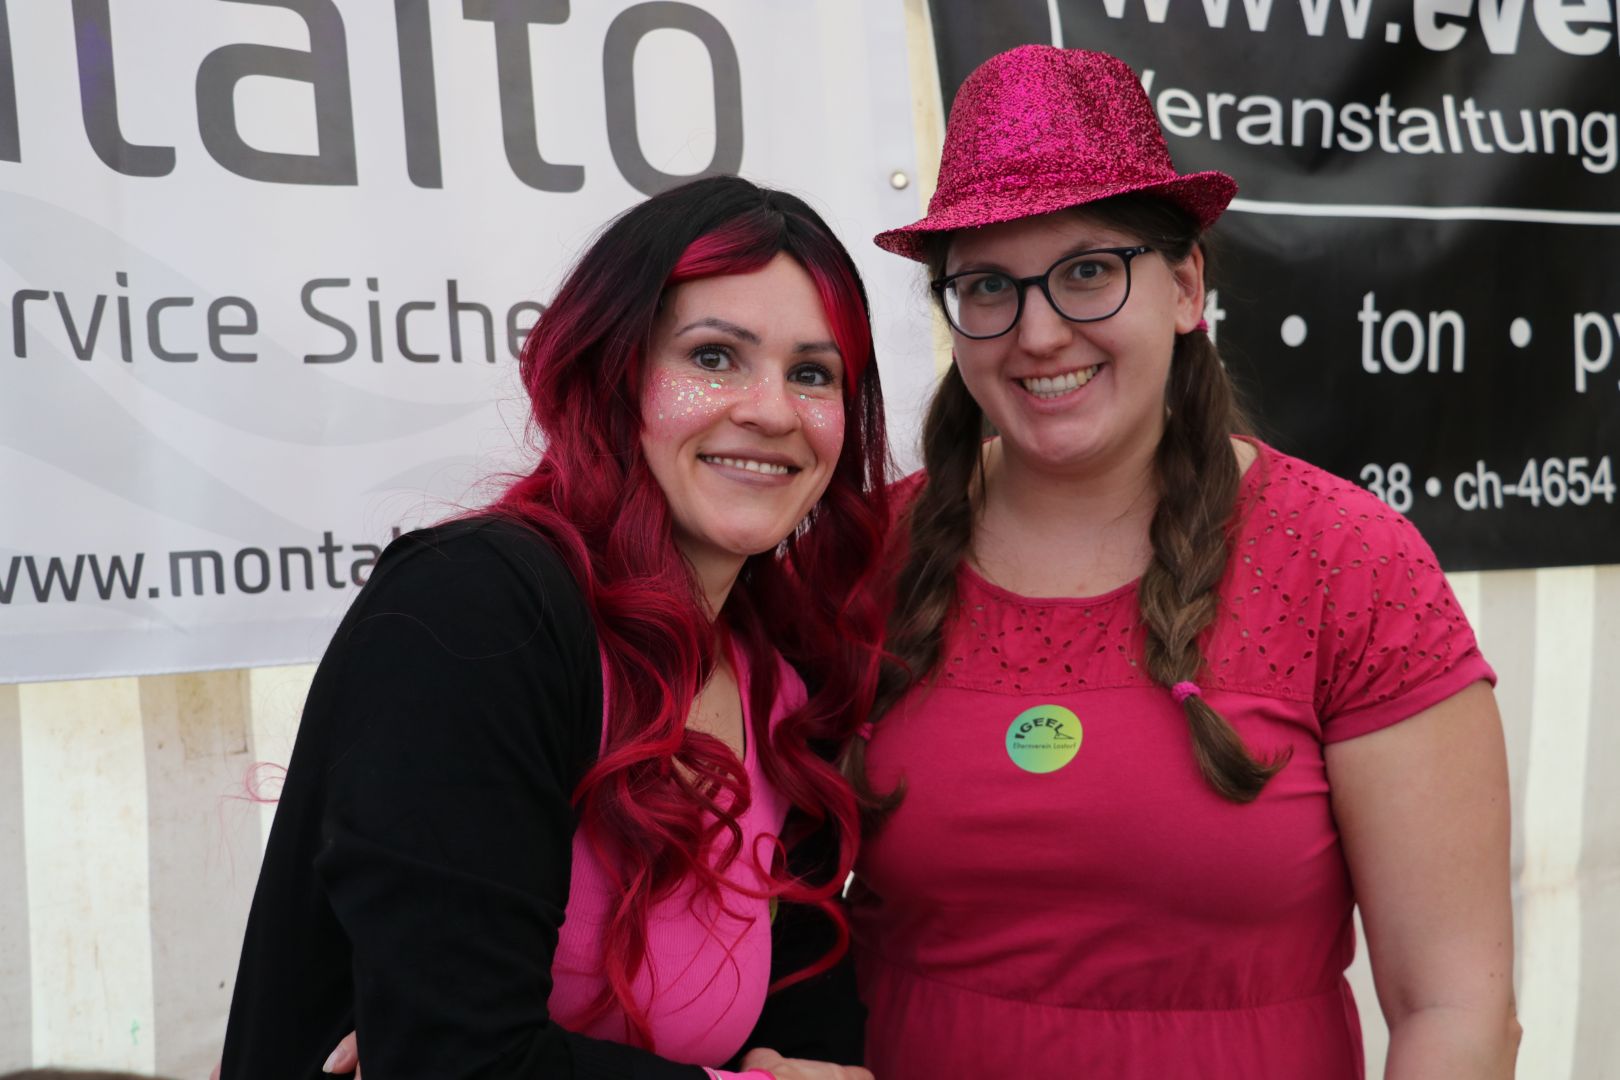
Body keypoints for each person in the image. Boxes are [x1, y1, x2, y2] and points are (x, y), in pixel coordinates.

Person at [845, 46, 1519, 1079]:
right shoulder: (865, 554)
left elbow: (1455, 1008)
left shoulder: (1350, 563)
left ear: (1185, 286)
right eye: (987, 286)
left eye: (1088, 271)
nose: (1037, 333)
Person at [218, 176, 884, 1080]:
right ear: (613, 374)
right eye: (714, 357)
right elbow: (457, 1061)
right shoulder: (474, 610)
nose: (771, 410)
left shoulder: (787, 674)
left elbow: (815, 1047)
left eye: (812, 374)